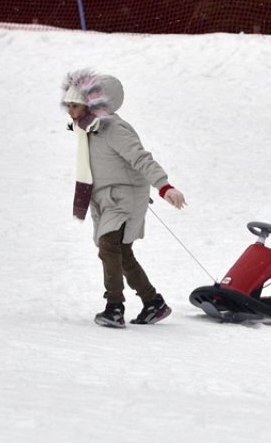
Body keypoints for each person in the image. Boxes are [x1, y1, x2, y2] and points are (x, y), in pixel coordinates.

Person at [61, 69, 187, 329]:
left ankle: (114, 307)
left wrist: (165, 187)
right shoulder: (88, 127)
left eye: (75, 105)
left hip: (124, 197)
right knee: (122, 253)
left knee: (108, 247)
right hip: (107, 197)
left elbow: (141, 158)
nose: (69, 111)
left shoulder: (114, 128)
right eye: (68, 105)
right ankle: (154, 303)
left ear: (94, 104)